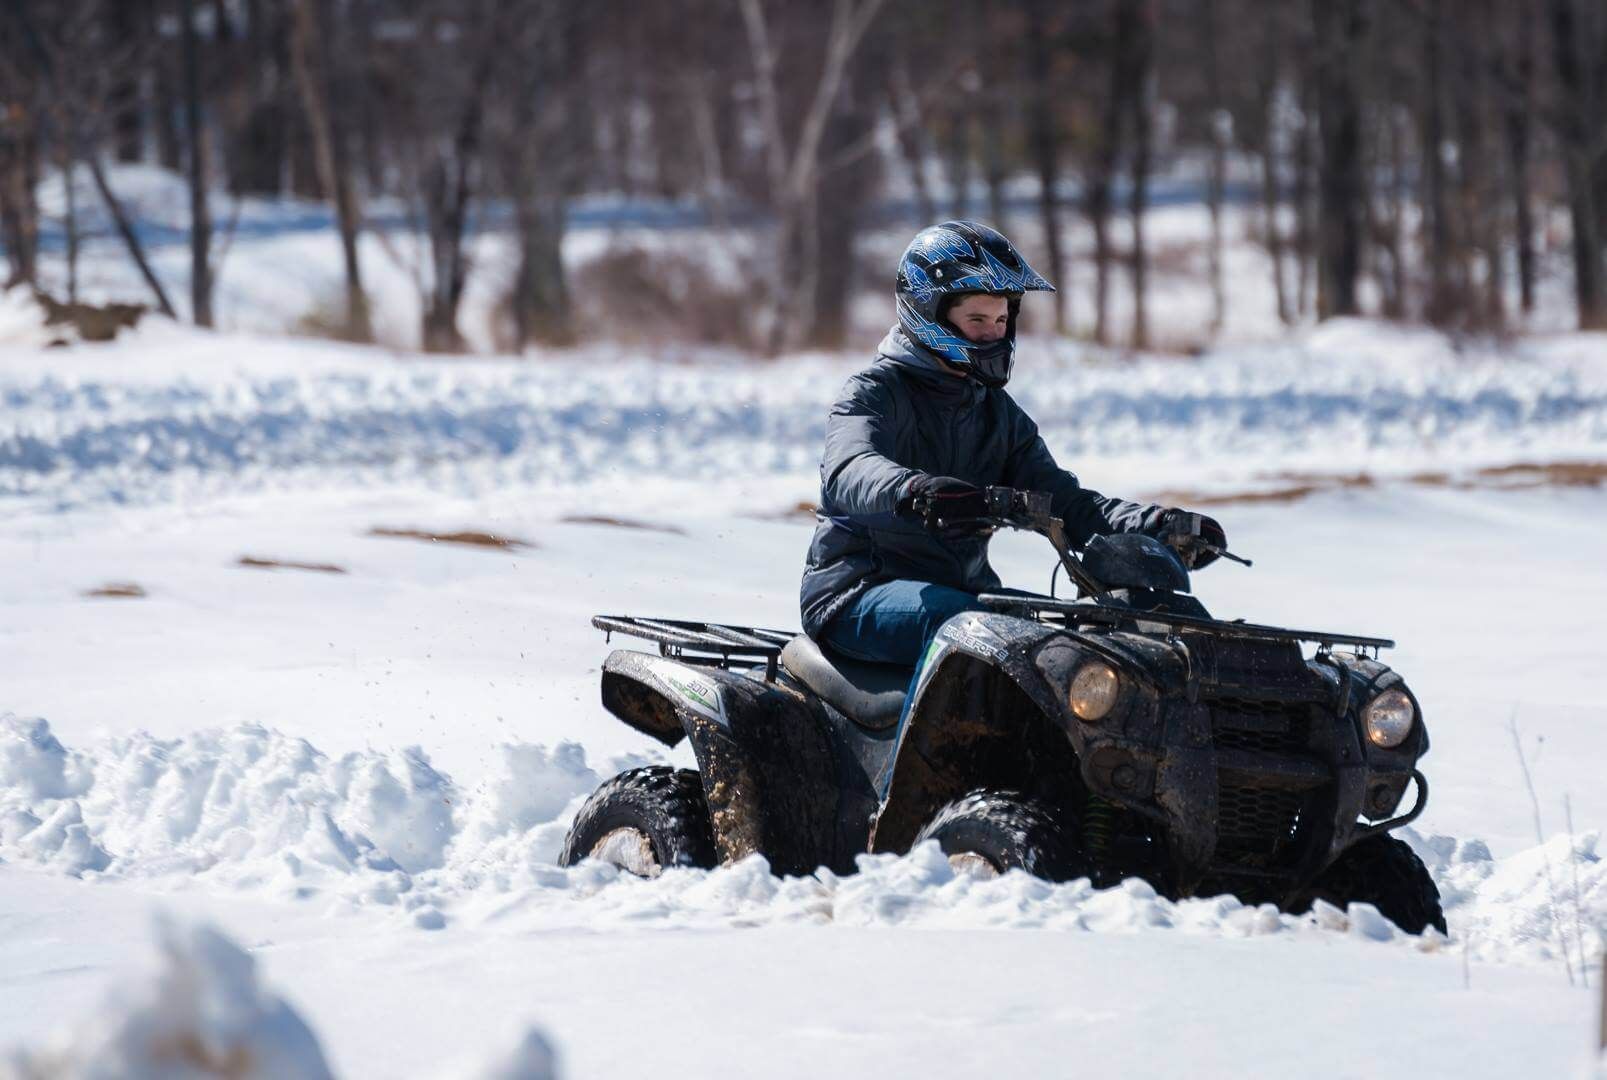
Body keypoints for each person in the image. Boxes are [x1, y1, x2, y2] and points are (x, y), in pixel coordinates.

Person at [799, 220, 1225, 668]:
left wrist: (1158, 526)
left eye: (1001, 319)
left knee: (1077, 637)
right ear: (928, 315)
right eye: (977, 319)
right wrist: (918, 491)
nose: (992, 333)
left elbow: (1069, 503)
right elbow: (851, 468)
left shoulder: (997, 414)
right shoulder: (873, 392)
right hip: (855, 594)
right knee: (971, 632)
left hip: (963, 591)